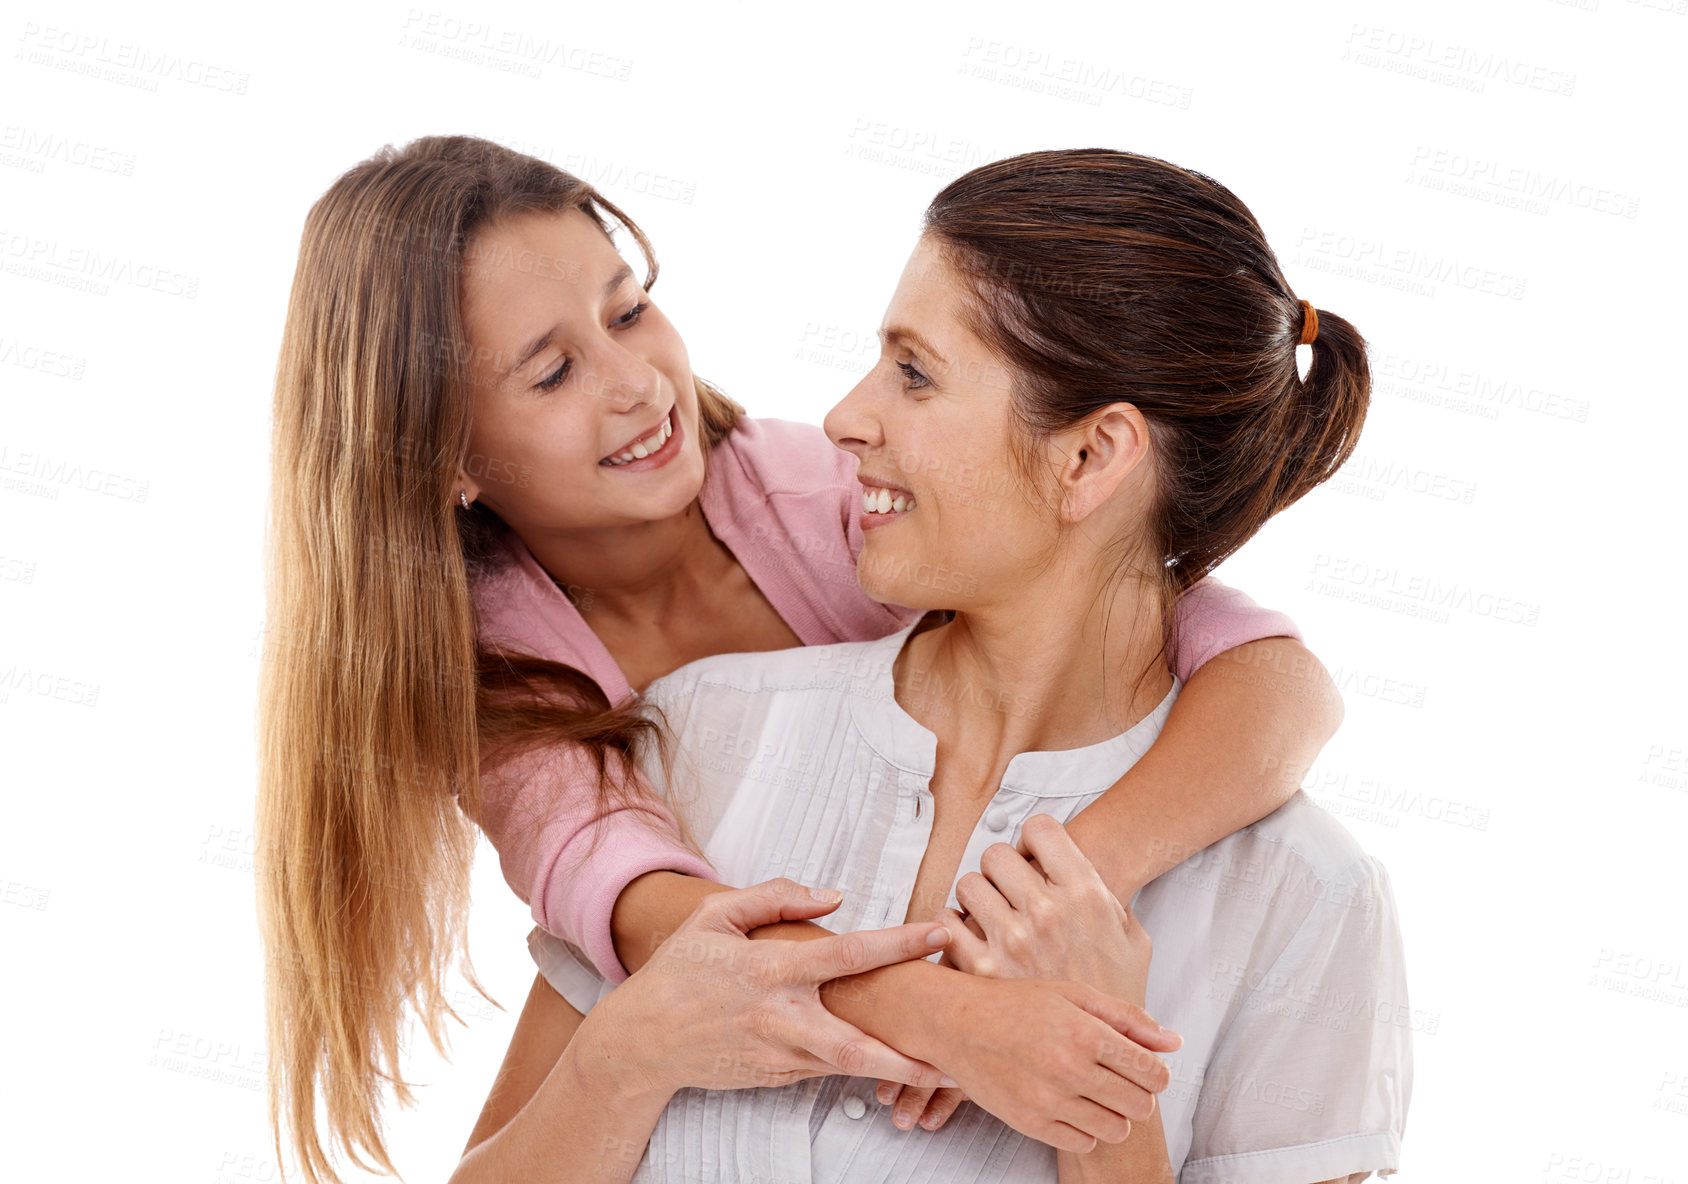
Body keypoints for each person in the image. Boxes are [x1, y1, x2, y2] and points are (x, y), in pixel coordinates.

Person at [257, 137, 1343, 1184]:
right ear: (442, 457)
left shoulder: (825, 496)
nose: (637, 381)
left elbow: (1253, 667)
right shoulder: (503, 686)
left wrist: (1057, 879)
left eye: (629, 307)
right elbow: (641, 907)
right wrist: (938, 1009)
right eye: (551, 373)